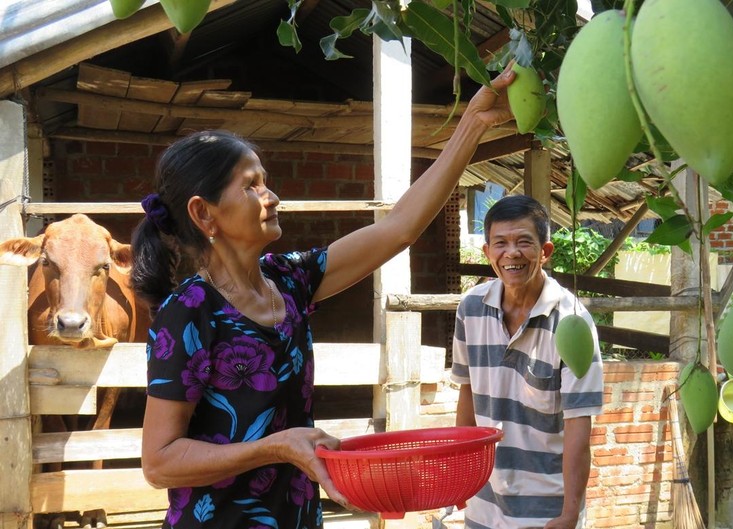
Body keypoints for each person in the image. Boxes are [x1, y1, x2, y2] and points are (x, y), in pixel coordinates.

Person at [130, 69, 515, 529]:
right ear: (204, 213)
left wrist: (471, 124)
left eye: (266, 182)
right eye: (251, 185)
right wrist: (273, 448)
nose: (272, 197)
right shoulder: (190, 312)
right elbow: (159, 462)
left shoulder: (289, 280)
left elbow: (399, 228)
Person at [451, 195, 604, 529]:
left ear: (545, 252)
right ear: (487, 253)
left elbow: (579, 427)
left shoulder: (572, 322)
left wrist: (569, 514)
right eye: (500, 243)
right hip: (483, 503)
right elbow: (467, 395)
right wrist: (462, 476)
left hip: (547, 509)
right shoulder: (471, 308)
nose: (512, 253)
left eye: (524, 242)